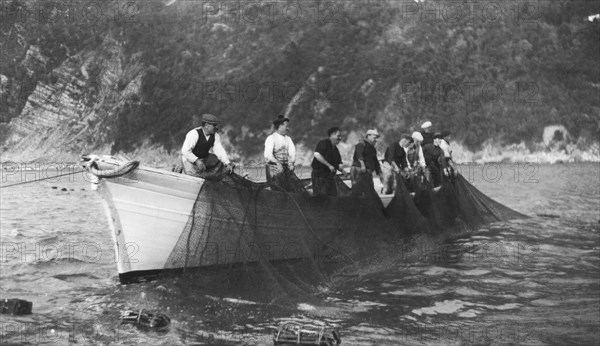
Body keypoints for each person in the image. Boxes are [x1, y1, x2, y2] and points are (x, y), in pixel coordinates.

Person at [311, 127, 344, 196]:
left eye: (340, 136)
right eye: (338, 136)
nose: (340, 138)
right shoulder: (324, 143)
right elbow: (317, 154)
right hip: (319, 175)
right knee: (321, 196)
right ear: (332, 135)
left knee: (333, 195)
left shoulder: (336, 149)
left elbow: (338, 163)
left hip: (329, 176)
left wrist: (343, 171)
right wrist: (329, 165)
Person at [264, 115, 296, 183]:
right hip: (273, 167)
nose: (288, 128)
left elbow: (292, 152)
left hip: (286, 167)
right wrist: (277, 163)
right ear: (280, 126)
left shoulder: (288, 139)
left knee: (293, 184)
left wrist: (292, 163)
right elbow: (268, 155)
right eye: (286, 126)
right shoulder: (271, 138)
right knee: (277, 187)